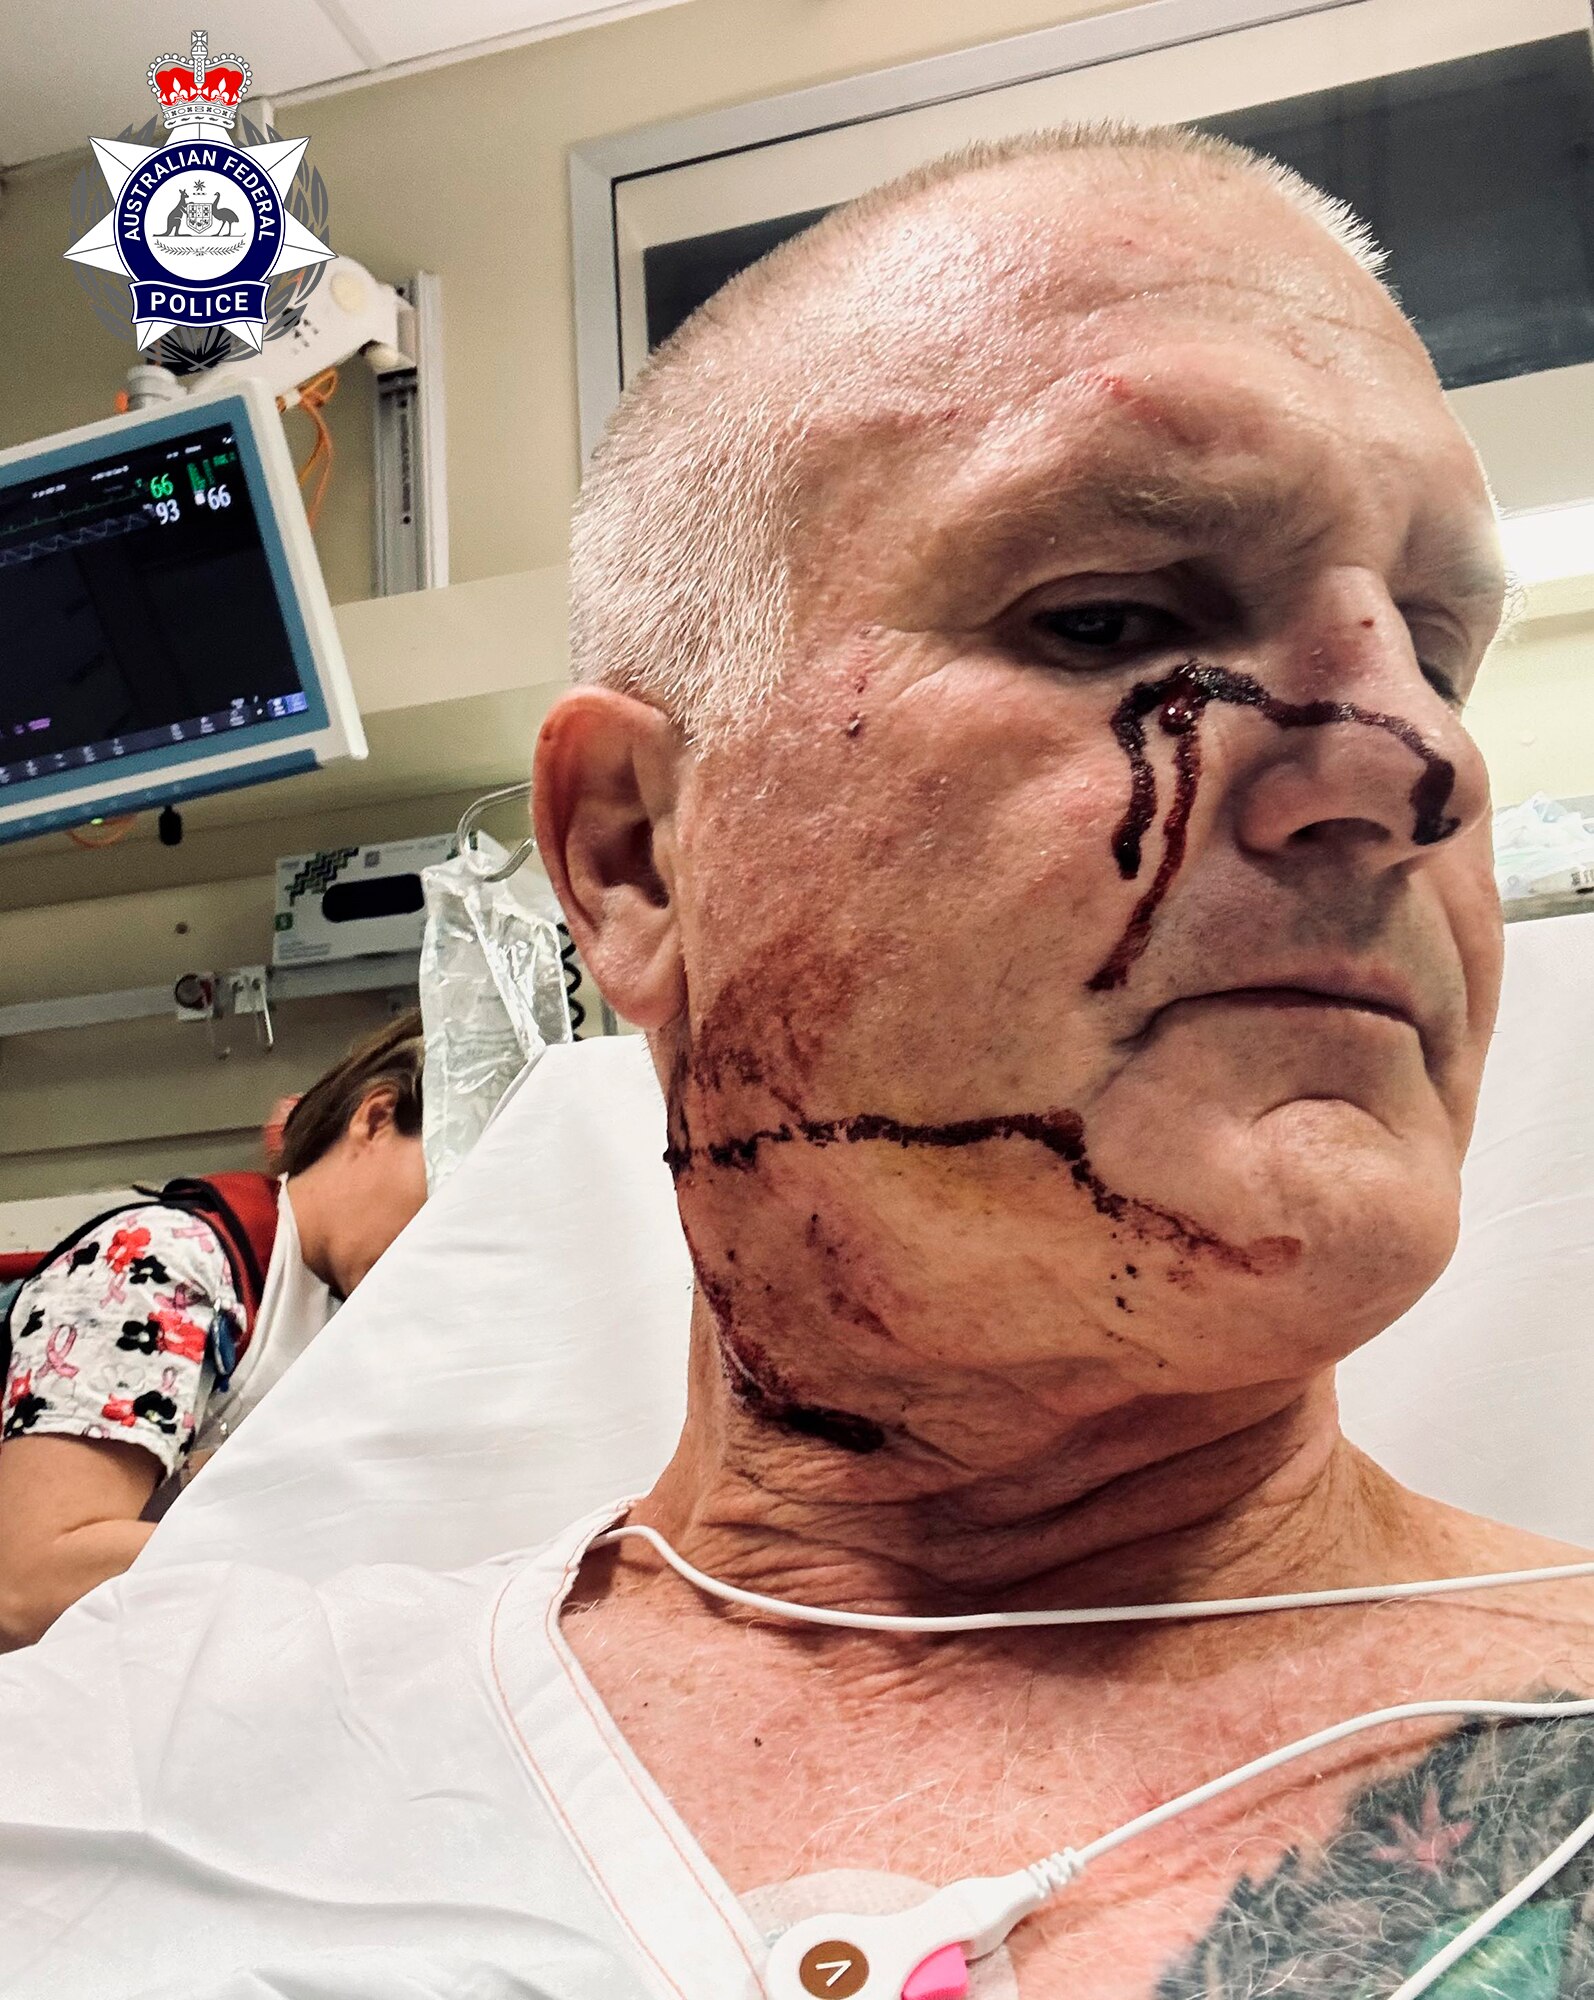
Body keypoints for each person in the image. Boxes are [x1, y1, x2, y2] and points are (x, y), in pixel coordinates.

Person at [0, 123, 1585, 1998]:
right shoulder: (116, 1776)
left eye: (1434, 648)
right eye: (1107, 618)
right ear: (633, 854)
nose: (1417, 764)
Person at [0, 1007, 428, 1649]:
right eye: (448, 1187)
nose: (444, 1237)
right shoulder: (162, 1262)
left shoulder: (362, 1326)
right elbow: (28, 1581)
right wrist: (334, 1553)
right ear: (375, 1117)